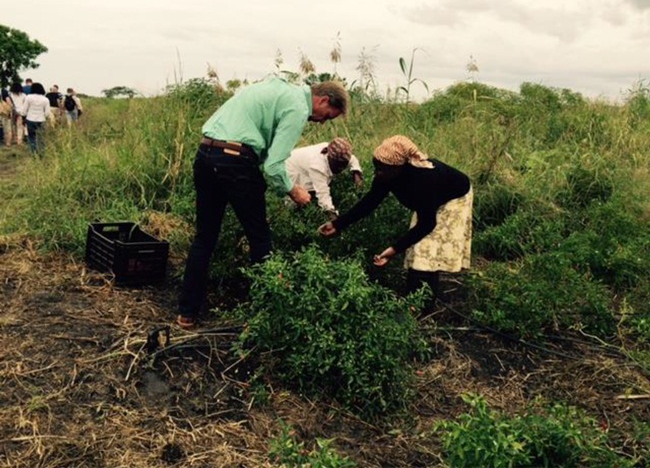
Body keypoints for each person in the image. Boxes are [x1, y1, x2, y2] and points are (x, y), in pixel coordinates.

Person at [176, 77, 349, 329]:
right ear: (322, 100)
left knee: (204, 238)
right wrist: (293, 191)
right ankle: (265, 317)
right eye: (328, 116)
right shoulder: (298, 108)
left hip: (206, 154)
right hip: (235, 161)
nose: (322, 121)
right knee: (260, 239)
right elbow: (274, 165)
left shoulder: (275, 87)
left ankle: (186, 314)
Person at [319, 135, 473, 312]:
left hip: (454, 198)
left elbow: (427, 224)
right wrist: (338, 224)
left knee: (425, 250)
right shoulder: (386, 174)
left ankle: (420, 306)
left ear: (400, 167)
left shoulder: (424, 180)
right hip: (431, 199)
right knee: (419, 250)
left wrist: (393, 250)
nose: (377, 173)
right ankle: (418, 301)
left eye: (381, 170)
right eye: (376, 168)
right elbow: (370, 202)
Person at [285, 137, 363, 218]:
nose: (341, 169)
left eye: (343, 165)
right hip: (290, 169)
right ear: (330, 158)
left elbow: (352, 159)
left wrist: (357, 173)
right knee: (297, 199)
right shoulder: (317, 167)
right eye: (338, 165)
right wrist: (335, 221)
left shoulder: (339, 154)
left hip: (302, 164)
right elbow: (323, 196)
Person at [20, 82, 50, 155]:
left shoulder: (28, 97)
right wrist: (44, 116)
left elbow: (24, 111)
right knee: (41, 138)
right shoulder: (45, 99)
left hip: (30, 119)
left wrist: (23, 116)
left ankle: (33, 153)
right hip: (41, 120)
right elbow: (47, 113)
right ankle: (42, 153)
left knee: (31, 137)